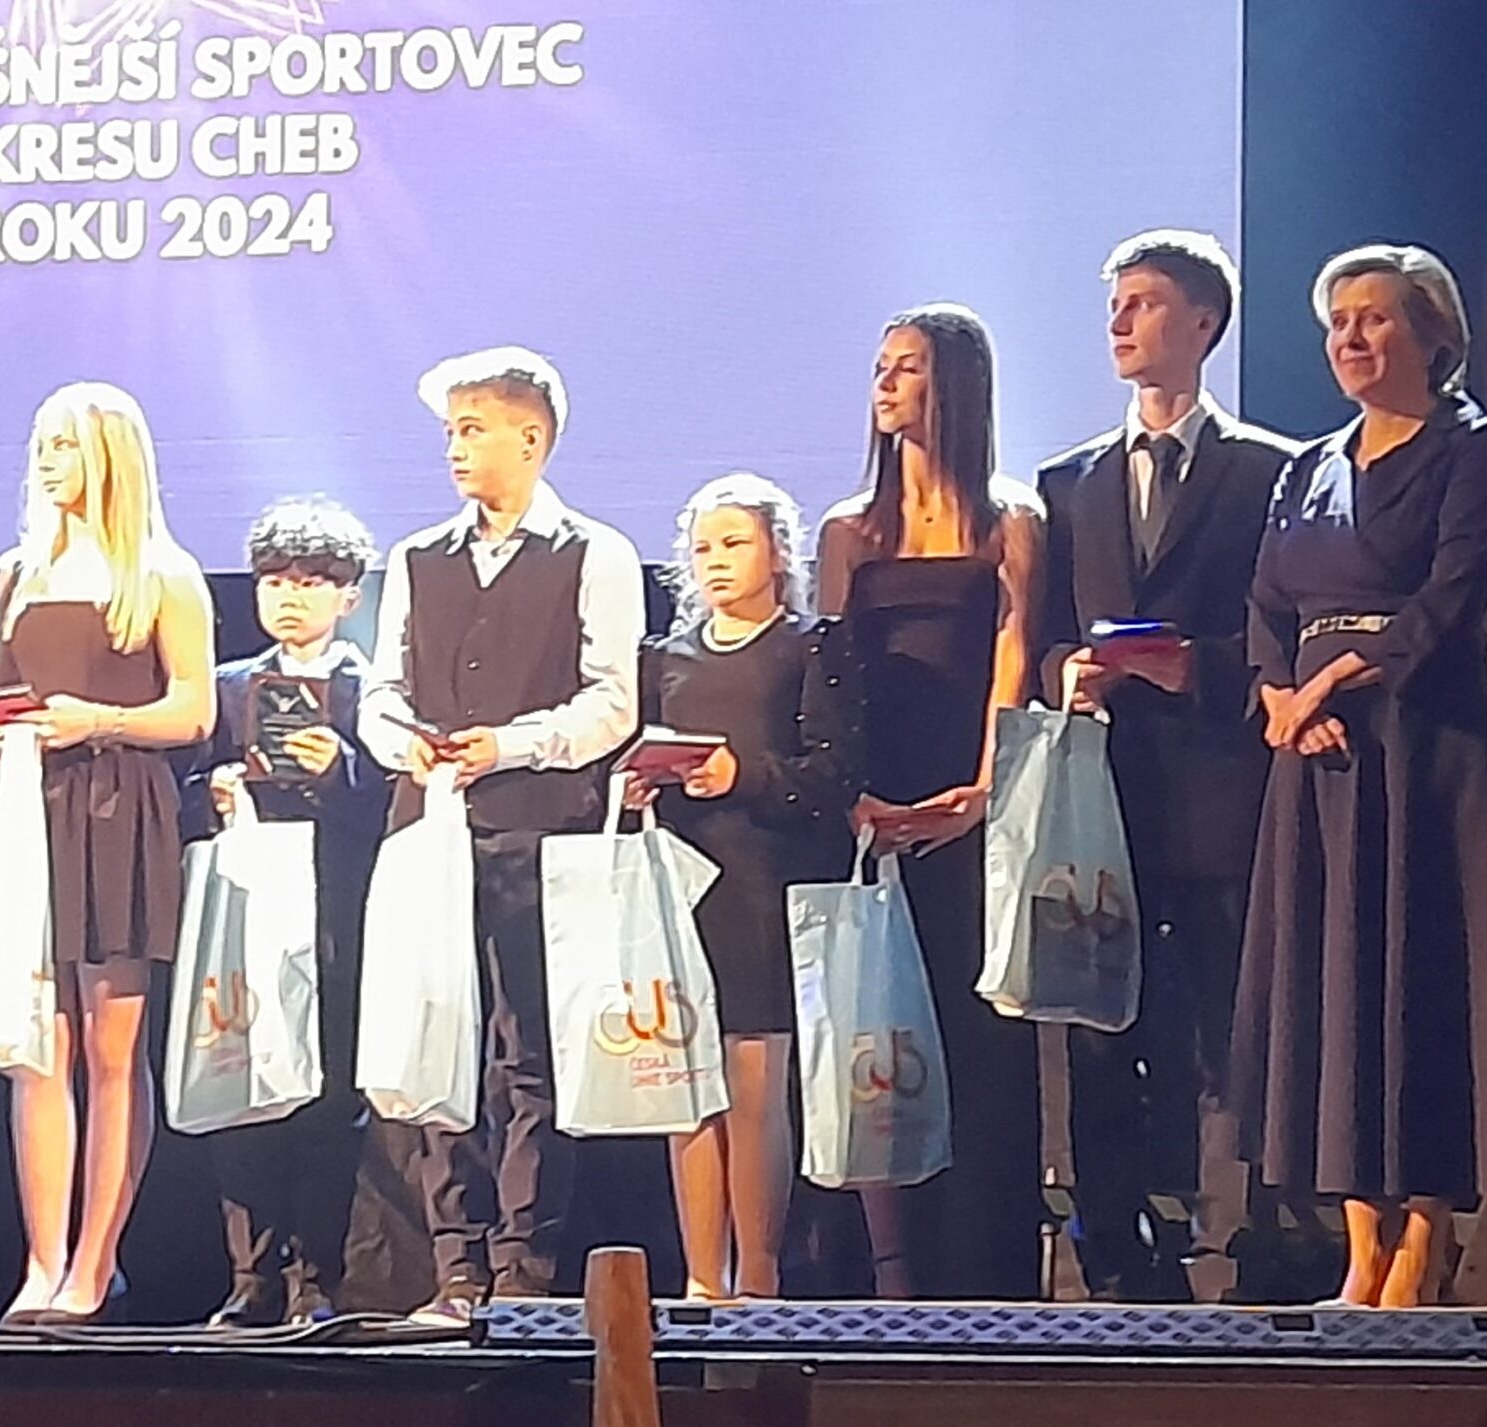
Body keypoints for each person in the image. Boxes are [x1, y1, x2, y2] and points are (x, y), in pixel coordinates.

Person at [1231, 244, 1487, 1308]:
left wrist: (1331, 681)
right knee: (1335, 990)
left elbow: (1447, 601)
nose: (1351, 338)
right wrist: (1280, 697)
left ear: (1431, 333)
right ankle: (1359, 1247)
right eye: (1338, 322)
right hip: (1320, 764)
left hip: (1427, 758)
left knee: (1426, 980)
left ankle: (1425, 1240)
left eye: (1374, 317)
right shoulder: (1305, 467)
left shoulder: (1474, 453)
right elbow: (1265, 605)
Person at [1034, 233, 1299, 1302]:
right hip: (1105, 805)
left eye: (1142, 302)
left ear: (1202, 322)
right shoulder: (1068, 482)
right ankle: (1114, 1252)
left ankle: (1257, 1242)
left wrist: (1201, 665)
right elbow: (1045, 635)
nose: (1119, 321)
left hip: (1223, 797)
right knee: (1101, 1034)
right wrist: (1066, 671)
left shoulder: (1273, 470)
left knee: (1233, 1032)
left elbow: (1286, 630)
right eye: (1114, 303)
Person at [358, 346, 644, 1325]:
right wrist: (404, 743)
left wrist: (510, 744)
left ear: (531, 438)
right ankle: (455, 1266)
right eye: (450, 431)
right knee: (435, 1037)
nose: (455, 447)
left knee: (531, 1052)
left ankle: (525, 1266)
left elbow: (612, 701)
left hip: (540, 832)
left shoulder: (593, 552)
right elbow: (381, 689)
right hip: (431, 829)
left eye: (473, 429)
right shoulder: (418, 557)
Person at [0, 381, 217, 1325]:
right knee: (37, 1047)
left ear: (109, 457)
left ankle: (94, 1263)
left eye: (65, 445)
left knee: (112, 1049)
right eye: (41, 443)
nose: (47, 461)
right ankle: (42, 1263)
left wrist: (98, 719)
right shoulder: (15, 574)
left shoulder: (162, 574)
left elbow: (193, 709)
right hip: (30, 814)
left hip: (118, 810)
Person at [816, 304, 1045, 1301]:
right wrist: (852, 795)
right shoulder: (849, 529)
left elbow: (1013, 659)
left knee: (976, 1037)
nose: (885, 382)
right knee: (874, 1034)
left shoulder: (1010, 520)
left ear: (953, 382)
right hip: (871, 805)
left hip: (972, 803)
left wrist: (985, 790)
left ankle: (985, 1276)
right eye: (880, 365)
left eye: (905, 367)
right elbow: (830, 673)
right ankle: (879, 1277)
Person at [634, 472, 860, 1301]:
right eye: (702, 548)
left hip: (768, 883)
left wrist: (745, 774)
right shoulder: (664, 656)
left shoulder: (811, 646)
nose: (716, 561)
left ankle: (759, 1280)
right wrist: (638, 782)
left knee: (755, 1085)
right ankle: (703, 1279)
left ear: (778, 552)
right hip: (683, 885)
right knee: (685, 1085)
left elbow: (835, 772)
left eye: (734, 543)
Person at [182, 495, 391, 1327]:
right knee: (243, 1086)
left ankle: (317, 1277)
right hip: (247, 908)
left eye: (310, 582)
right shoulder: (230, 685)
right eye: (274, 581)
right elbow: (182, 790)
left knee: (328, 1096)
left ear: (348, 594)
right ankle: (252, 1274)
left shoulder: (372, 689)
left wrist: (340, 769)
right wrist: (214, 789)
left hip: (337, 910)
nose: (289, 597)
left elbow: (395, 804)